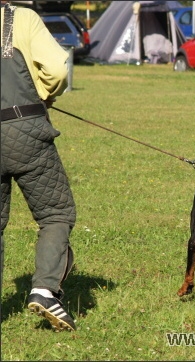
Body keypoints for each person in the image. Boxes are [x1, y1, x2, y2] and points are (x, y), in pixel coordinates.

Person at [1, 2, 77, 331]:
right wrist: (44, 95)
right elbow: (58, 70)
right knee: (56, 214)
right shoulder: (22, 17)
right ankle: (45, 290)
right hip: (25, 131)